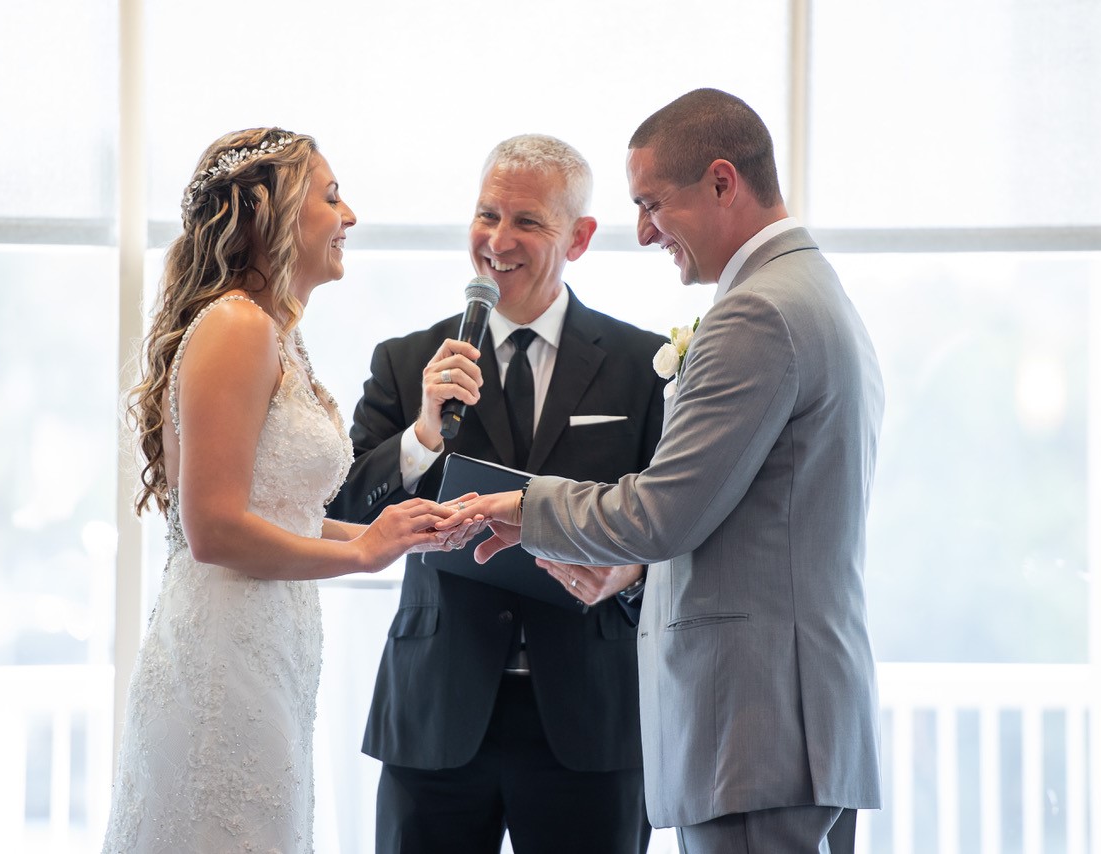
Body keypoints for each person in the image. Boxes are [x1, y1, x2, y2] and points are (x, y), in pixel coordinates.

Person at [440, 89, 885, 854]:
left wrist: (523, 505)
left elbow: (661, 513)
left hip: (757, 727)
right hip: (792, 724)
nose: (643, 232)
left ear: (721, 182)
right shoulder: (809, 290)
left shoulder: (758, 313)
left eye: (652, 204)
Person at [100, 127, 482, 854]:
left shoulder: (277, 333)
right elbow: (212, 529)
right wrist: (362, 553)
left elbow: (282, 512)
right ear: (268, 213)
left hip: (270, 645)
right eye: (331, 197)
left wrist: (398, 527)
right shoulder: (237, 327)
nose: (351, 217)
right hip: (223, 655)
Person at [328, 134, 665, 853]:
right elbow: (341, 512)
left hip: (591, 714)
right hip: (437, 710)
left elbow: (677, 524)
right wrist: (421, 434)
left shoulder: (643, 368)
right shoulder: (407, 361)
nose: (497, 240)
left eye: (527, 222)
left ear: (578, 238)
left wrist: (631, 573)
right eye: (486, 215)